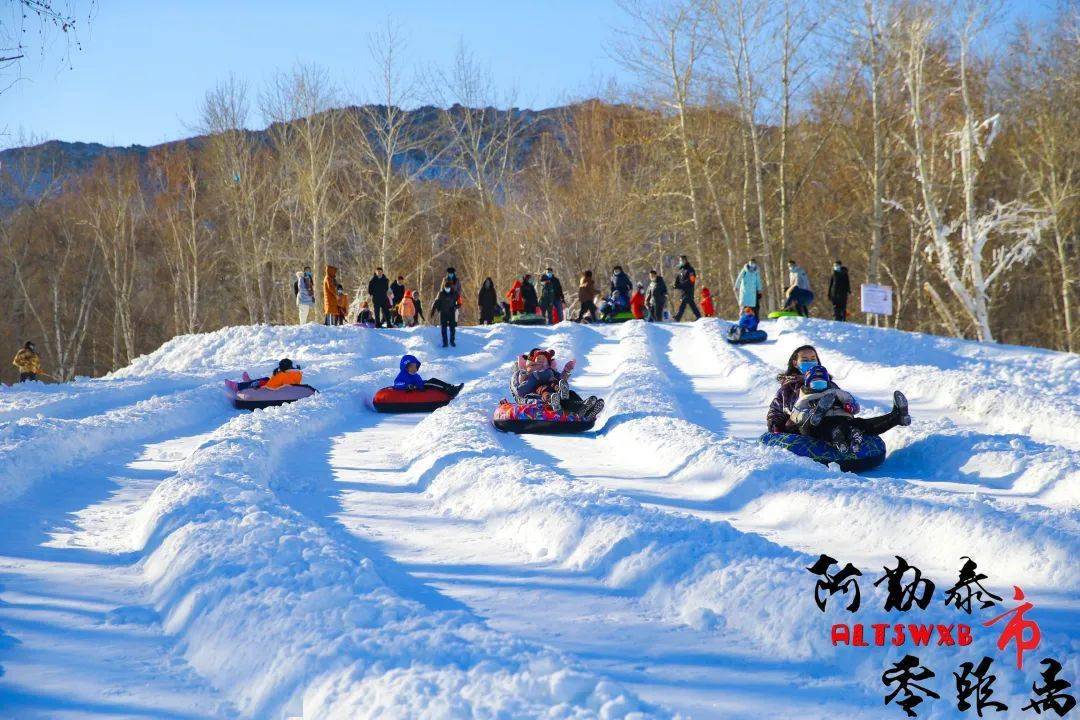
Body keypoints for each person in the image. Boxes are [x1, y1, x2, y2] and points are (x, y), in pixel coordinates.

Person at [766, 345, 911, 453]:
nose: (810, 361)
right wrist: (775, 427)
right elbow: (775, 410)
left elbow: (843, 398)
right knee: (826, 426)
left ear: (818, 361)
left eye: (813, 359)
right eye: (804, 359)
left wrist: (848, 407)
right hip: (803, 426)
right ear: (795, 363)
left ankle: (896, 416)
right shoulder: (788, 388)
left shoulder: (829, 384)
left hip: (835, 419)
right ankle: (820, 417)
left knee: (858, 424)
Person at [510, 348, 604, 421]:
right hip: (538, 393)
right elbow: (520, 390)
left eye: (544, 362)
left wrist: (566, 370)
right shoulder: (528, 375)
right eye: (538, 362)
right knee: (546, 389)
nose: (541, 364)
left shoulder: (551, 372)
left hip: (557, 391)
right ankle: (553, 401)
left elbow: (561, 380)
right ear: (530, 364)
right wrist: (532, 377)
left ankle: (585, 408)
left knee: (570, 393)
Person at [393, 354, 463, 396]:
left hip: (421, 386)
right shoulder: (402, 375)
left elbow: (419, 382)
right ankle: (452, 390)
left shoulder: (415, 375)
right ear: (405, 367)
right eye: (411, 367)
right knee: (431, 383)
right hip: (418, 387)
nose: (414, 369)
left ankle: (451, 388)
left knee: (433, 380)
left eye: (415, 366)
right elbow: (397, 383)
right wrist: (407, 386)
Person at [231, 358, 304, 392]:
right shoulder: (297, 373)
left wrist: (261, 387)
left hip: (269, 388)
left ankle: (238, 386)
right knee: (266, 379)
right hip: (277, 386)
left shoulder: (282, 374)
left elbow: (271, 386)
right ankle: (249, 381)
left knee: (261, 382)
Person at [431, 280, 460, 347]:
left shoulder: (455, 293)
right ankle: (445, 342)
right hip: (443, 313)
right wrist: (433, 310)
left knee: (452, 328)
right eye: (445, 287)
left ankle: (452, 341)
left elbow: (460, 302)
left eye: (448, 287)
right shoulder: (441, 293)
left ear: (451, 287)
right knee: (443, 328)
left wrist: (455, 307)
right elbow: (436, 302)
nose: (447, 289)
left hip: (451, 312)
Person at [673, 255, 701, 321]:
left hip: (689, 290)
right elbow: (678, 279)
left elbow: (692, 280)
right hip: (683, 291)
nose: (681, 262)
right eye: (680, 260)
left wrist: (681, 285)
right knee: (691, 304)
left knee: (684, 302)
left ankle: (678, 317)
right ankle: (699, 316)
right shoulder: (681, 270)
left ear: (686, 260)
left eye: (683, 260)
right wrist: (675, 285)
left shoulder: (690, 269)